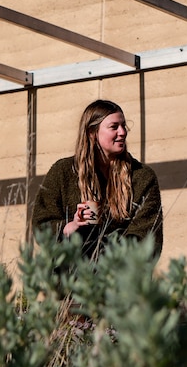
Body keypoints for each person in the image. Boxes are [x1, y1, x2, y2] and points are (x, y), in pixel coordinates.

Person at [32, 99, 164, 260]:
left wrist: (112, 258)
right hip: (72, 278)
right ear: (92, 133)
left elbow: (148, 235)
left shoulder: (142, 176)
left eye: (123, 126)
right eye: (114, 127)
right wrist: (70, 227)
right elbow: (41, 225)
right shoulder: (63, 172)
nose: (122, 132)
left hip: (122, 278)